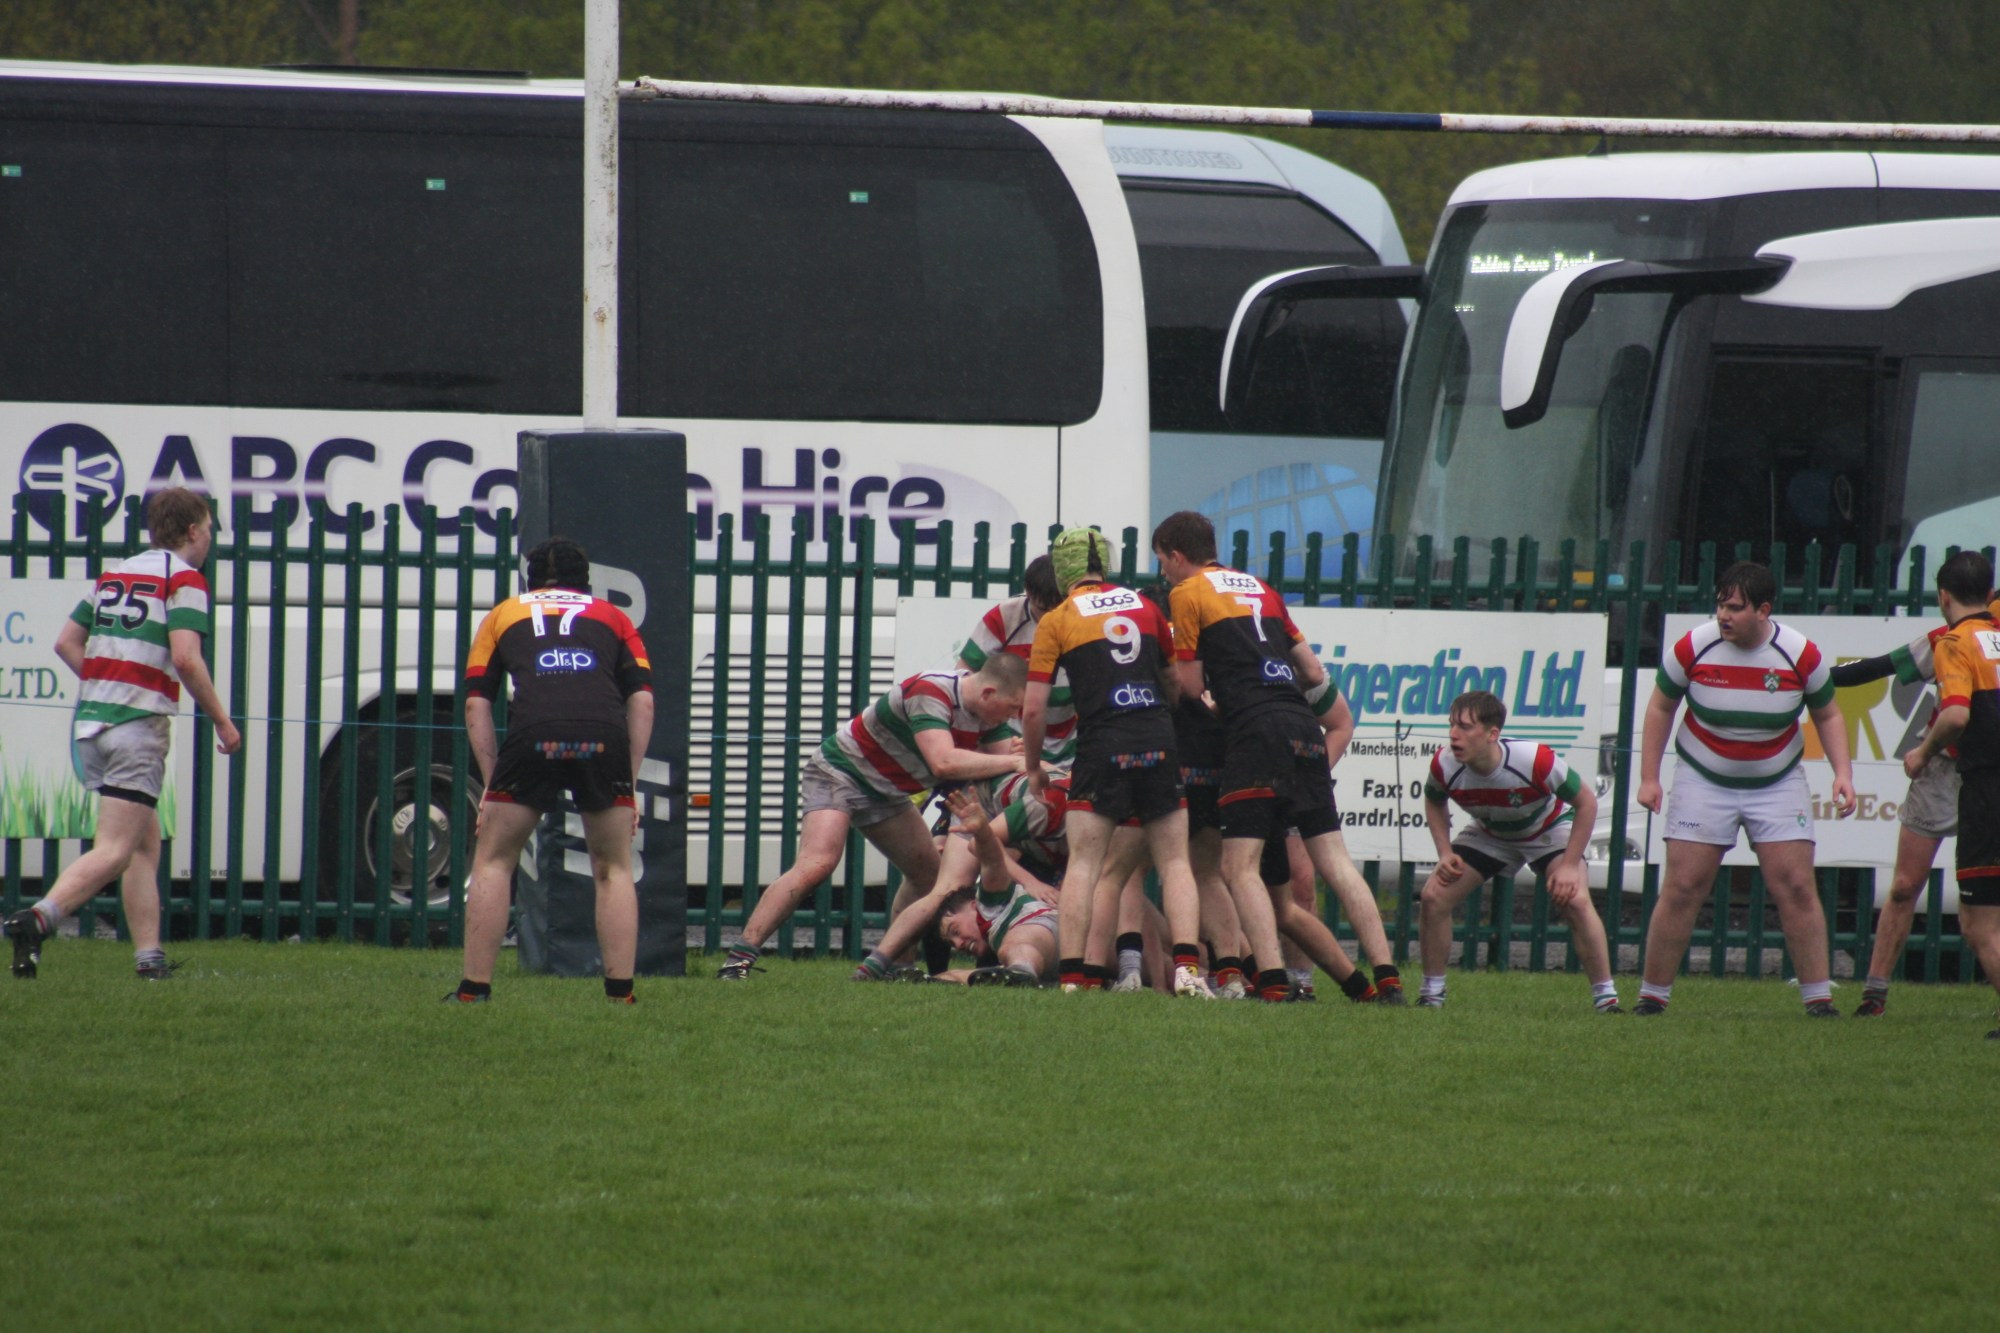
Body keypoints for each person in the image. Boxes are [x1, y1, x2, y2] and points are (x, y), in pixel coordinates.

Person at [1153, 510, 1402, 1003]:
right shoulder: (1261, 589)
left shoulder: (1187, 593)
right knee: (1337, 862)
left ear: (1177, 556)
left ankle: (1271, 981)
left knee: (1238, 867)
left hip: (1256, 733)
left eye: (1162, 561)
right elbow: (1311, 672)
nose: (1163, 572)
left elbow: (1192, 686)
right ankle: (1389, 979)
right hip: (1303, 727)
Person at [4, 486, 241, 981]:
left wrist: (104, 685)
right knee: (114, 849)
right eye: (209, 530)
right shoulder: (185, 578)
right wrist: (221, 719)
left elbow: (66, 643)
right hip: (137, 729)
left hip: (93, 727)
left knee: (141, 847)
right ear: (192, 531)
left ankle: (149, 959)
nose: (210, 539)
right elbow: (185, 658)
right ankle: (38, 919)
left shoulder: (115, 574)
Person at [1634, 561, 1856, 1016]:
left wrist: (1843, 774)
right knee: (1682, 887)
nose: (1723, 615)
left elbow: (1829, 714)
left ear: (1764, 610)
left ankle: (1819, 1000)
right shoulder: (1693, 646)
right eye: (1720, 605)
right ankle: (1651, 998)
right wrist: (1649, 778)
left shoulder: (1800, 653)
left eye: (1735, 608)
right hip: (1702, 777)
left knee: (1797, 886)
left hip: (1777, 782)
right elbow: (1660, 707)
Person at [716, 655, 1027, 978]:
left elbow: (1001, 768)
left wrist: (1017, 759)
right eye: (1012, 707)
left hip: (887, 792)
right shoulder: (931, 691)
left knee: (930, 876)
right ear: (988, 693)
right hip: (840, 773)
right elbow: (944, 763)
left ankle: (900, 968)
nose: (1014, 717)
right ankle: (738, 961)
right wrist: (1012, 761)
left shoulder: (988, 716)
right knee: (818, 863)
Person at [450, 537, 654, 1004]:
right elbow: (642, 701)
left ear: (531, 579)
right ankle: (620, 995)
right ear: (586, 581)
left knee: (494, 861)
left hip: (533, 734)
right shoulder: (615, 617)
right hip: (602, 736)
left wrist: (492, 781)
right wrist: (629, 782)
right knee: (614, 867)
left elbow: (477, 702)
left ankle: (473, 990)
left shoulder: (502, 615)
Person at [1022, 527, 1208, 996]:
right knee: (1175, 862)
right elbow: (1172, 681)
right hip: (1157, 739)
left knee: (1085, 865)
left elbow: (1033, 709)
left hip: (1101, 745)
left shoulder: (1058, 619)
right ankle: (1188, 971)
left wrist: (1033, 766)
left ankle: (1072, 978)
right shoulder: (1145, 607)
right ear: (1103, 563)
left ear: (1062, 570)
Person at [1826, 581, 2000, 1015]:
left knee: (1982, 909)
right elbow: (1882, 666)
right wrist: (1818, 679)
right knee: (1905, 885)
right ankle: (1875, 993)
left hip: (1989, 777)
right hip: (1942, 768)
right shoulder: (1949, 640)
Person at [1415, 690, 1617, 1011]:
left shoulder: (1535, 759)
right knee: (1433, 896)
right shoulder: (1444, 764)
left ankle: (1607, 999)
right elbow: (1434, 800)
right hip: (1490, 834)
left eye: (1465, 727)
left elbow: (1587, 803)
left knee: (1576, 900)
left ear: (1492, 734)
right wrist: (1444, 853)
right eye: (1452, 724)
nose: (1453, 734)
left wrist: (1568, 866)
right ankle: (1431, 995)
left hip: (1546, 829)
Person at [1893, 551, 2000, 1039]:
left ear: (1943, 596)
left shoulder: (1955, 643)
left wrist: (1922, 751)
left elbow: (1955, 715)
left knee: (1978, 925)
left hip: (1987, 789)